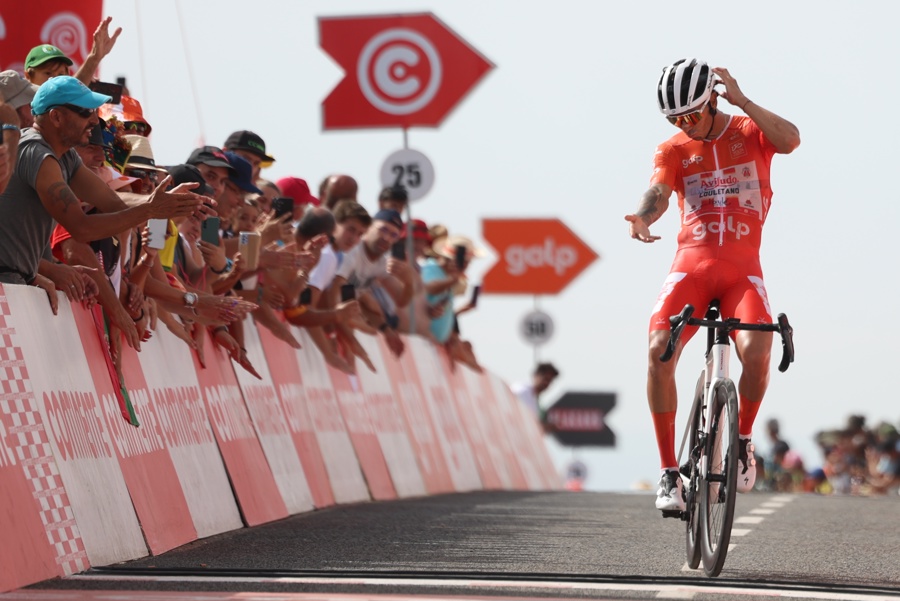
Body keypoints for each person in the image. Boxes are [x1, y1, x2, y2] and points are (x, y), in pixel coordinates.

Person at [624, 58, 800, 512]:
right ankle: (669, 473)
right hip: (692, 268)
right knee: (657, 348)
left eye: (690, 115)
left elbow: (791, 139)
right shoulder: (674, 150)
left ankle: (742, 441)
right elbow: (659, 192)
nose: (685, 125)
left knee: (759, 349)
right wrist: (643, 215)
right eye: (674, 119)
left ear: (713, 100)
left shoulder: (748, 129)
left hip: (743, 271)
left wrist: (743, 101)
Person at [0, 76, 208, 306]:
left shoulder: (65, 155)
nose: (93, 120)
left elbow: (114, 203)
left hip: (15, 277)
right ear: (56, 117)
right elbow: (81, 229)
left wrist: (161, 203)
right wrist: (151, 209)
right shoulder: (37, 151)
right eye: (85, 112)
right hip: (6, 279)